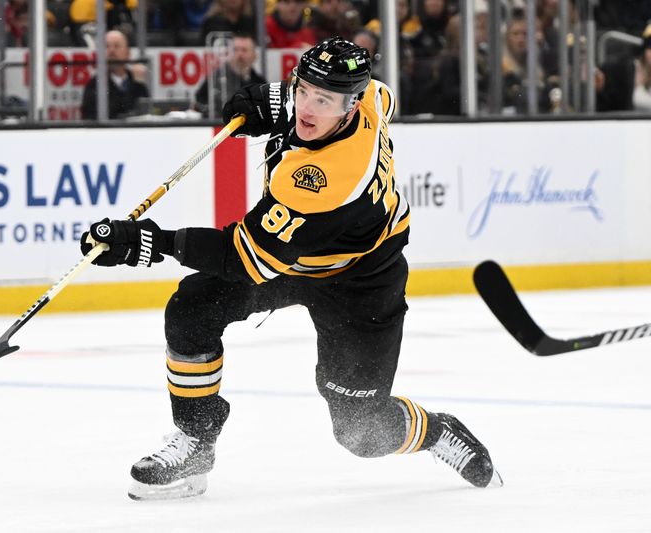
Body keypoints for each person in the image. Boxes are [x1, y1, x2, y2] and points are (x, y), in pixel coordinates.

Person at [80, 37, 503, 500]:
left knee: (360, 433)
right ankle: (197, 442)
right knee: (193, 307)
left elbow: (242, 258)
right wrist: (274, 98)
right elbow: (382, 95)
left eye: (323, 101)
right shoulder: (372, 97)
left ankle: (438, 432)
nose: (307, 108)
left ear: (349, 105)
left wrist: (146, 242)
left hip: (362, 280)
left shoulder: (321, 178)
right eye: (303, 91)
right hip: (299, 256)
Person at [80, 30, 149, 120]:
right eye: (107, 46)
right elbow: (91, 119)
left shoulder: (137, 83)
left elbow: (146, 115)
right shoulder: (94, 85)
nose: (111, 50)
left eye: (117, 46)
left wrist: (137, 83)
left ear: (128, 53)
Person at [194, 33, 267, 118]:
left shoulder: (260, 84)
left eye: (244, 50)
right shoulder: (215, 78)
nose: (239, 54)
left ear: (254, 55)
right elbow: (199, 104)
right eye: (236, 50)